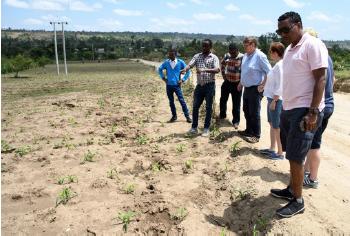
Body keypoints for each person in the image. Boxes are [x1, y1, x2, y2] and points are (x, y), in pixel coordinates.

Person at [270, 11, 328, 218]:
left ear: (299, 25)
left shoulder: (312, 44)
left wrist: (313, 112)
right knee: (291, 152)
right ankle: (291, 189)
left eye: (286, 29)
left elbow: (321, 78)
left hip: (305, 109)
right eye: (280, 31)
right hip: (289, 108)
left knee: (296, 155)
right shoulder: (291, 49)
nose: (283, 34)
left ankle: (298, 201)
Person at [303, 29, 335, 189]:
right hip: (329, 103)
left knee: (314, 143)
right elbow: (333, 80)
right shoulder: (327, 57)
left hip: (321, 106)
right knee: (312, 142)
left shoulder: (316, 56)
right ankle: (307, 173)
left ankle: (313, 179)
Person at [181, 39, 220, 137]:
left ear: (210, 47)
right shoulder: (197, 56)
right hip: (199, 86)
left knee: (208, 108)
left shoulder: (214, 57)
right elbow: (190, 64)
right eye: (203, 46)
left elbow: (217, 69)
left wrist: (204, 69)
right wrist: (185, 69)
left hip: (209, 86)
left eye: (206, 46)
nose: (204, 48)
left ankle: (206, 128)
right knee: (195, 106)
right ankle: (194, 127)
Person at [238, 37, 271, 143]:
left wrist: (263, 85)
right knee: (246, 110)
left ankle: (256, 135)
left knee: (254, 112)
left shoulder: (260, 56)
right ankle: (249, 130)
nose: (245, 47)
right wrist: (241, 83)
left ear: (253, 45)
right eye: (244, 45)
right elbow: (244, 71)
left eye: (246, 45)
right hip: (247, 88)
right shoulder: (246, 56)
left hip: (256, 89)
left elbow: (269, 72)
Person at [260, 42, 285, 160]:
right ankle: (272, 148)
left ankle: (280, 153)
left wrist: (275, 100)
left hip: (276, 99)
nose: (270, 54)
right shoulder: (277, 65)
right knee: (272, 124)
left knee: (276, 125)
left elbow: (280, 84)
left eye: (271, 51)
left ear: (276, 52)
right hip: (272, 98)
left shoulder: (280, 65)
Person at [158, 48, 192, 123]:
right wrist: (163, 78)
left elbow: (188, 71)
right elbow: (159, 69)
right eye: (169, 55)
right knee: (171, 102)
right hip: (169, 85)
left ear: (175, 54)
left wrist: (183, 80)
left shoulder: (180, 62)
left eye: (172, 54)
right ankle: (174, 116)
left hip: (177, 85)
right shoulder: (166, 62)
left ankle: (187, 116)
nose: (170, 56)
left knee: (181, 101)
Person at [219, 43, 244, 129]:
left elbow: (245, 71)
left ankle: (236, 121)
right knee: (223, 100)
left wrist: (241, 82)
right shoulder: (227, 55)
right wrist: (223, 75)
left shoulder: (242, 57)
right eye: (230, 52)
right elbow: (222, 64)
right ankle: (222, 116)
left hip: (237, 84)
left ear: (237, 50)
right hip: (227, 82)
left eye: (233, 53)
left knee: (236, 104)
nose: (232, 54)